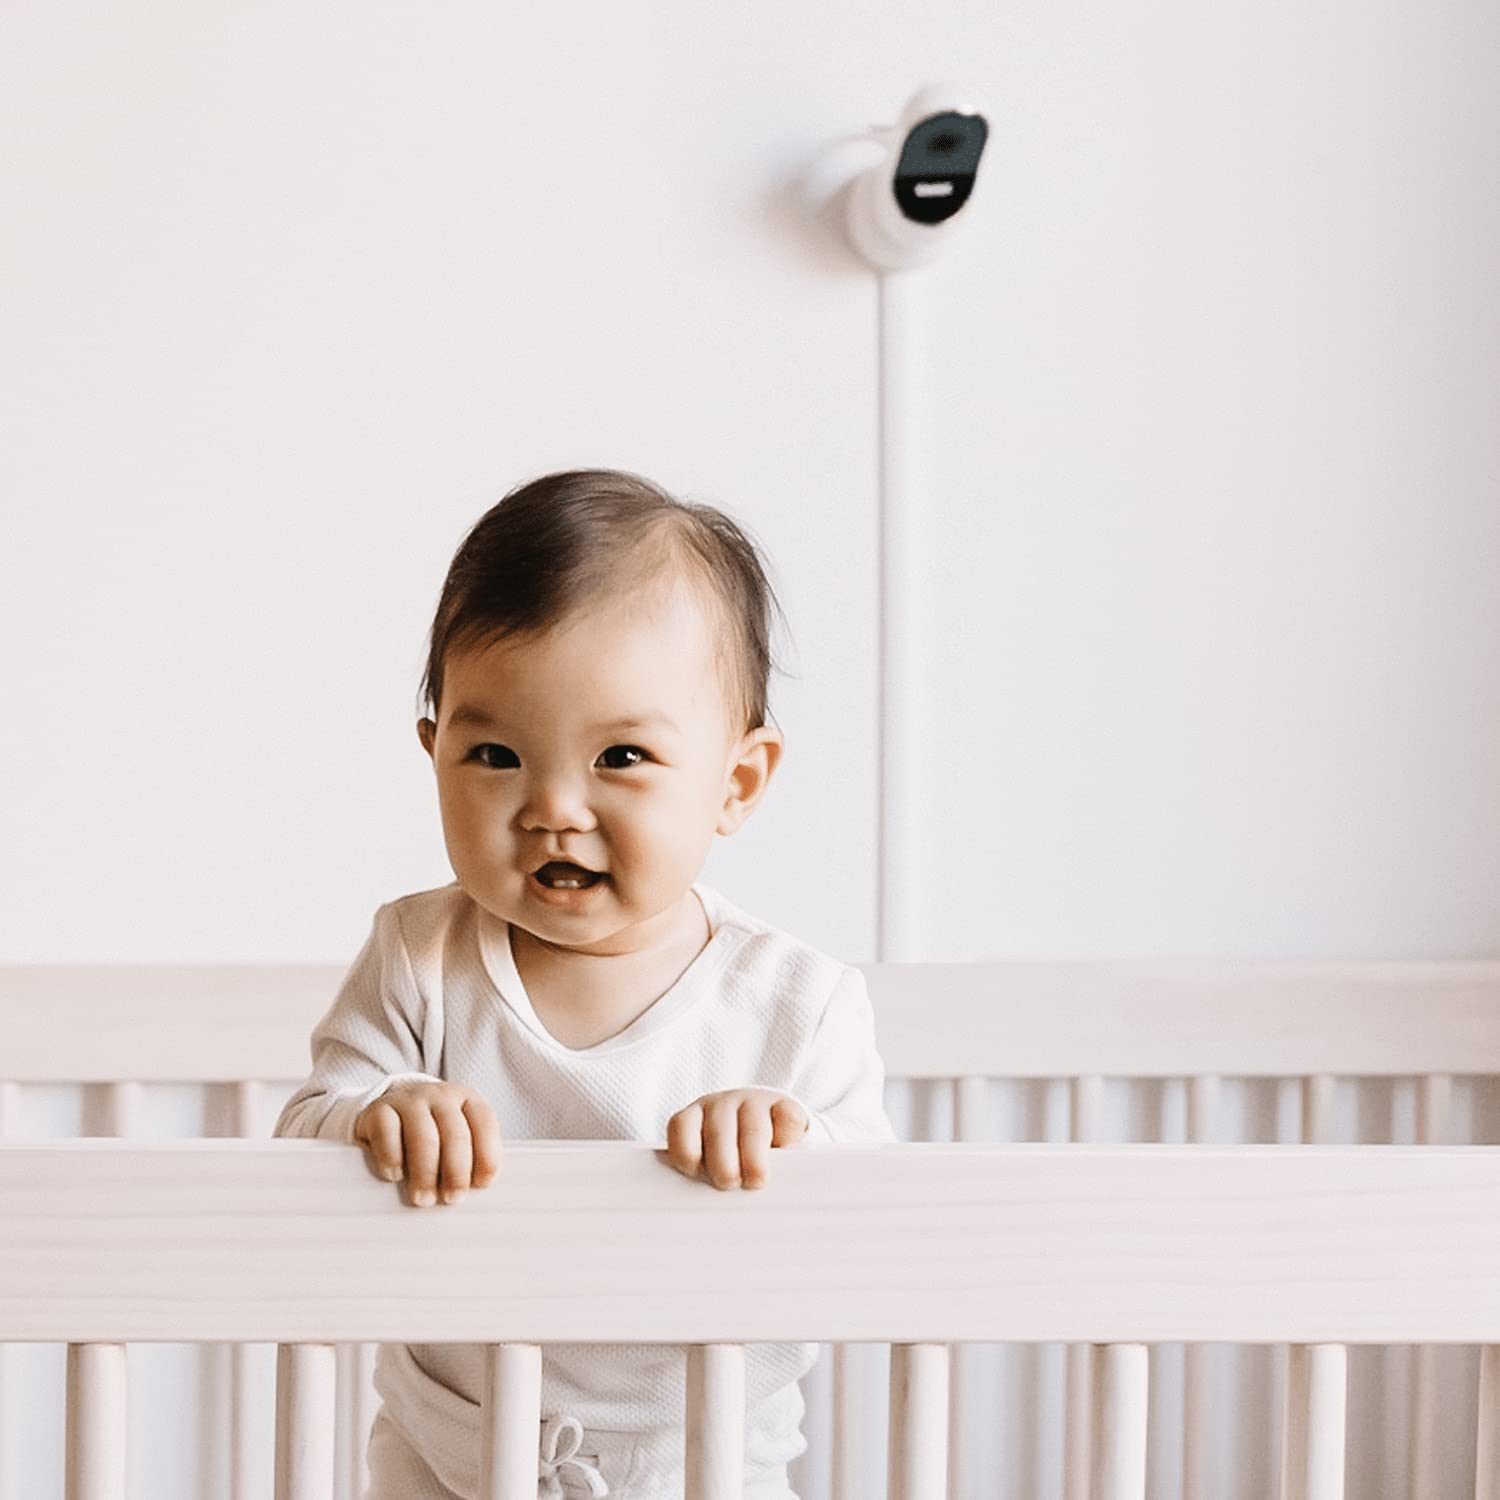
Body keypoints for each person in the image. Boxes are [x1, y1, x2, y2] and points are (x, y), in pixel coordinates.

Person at [273, 467, 897, 1499]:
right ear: (433, 756)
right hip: (445, 1457)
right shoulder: (419, 958)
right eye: (494, 753)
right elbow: (304, 1138)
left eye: (619, 755)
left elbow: (880, 1222)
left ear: (734, 783)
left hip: (704, 1467)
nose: (553, 807)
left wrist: (794, 1141)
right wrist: (377, 1113)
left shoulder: (796, 1004)